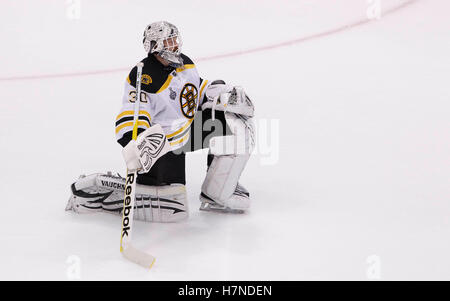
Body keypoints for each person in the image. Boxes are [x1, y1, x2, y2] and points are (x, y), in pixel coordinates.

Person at [66, 21, 255, 222]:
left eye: (175, 39)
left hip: (186, 131)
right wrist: (135, 141)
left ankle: (217, 193)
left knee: (236, 125)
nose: (175, 45)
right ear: (156, 46)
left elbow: (195, 92)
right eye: (169, 41)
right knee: (173, 208)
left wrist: (220, 94)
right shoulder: (144, 76)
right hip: (161, 143)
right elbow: (131, 115)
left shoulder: (186, 63)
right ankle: (98, 190)